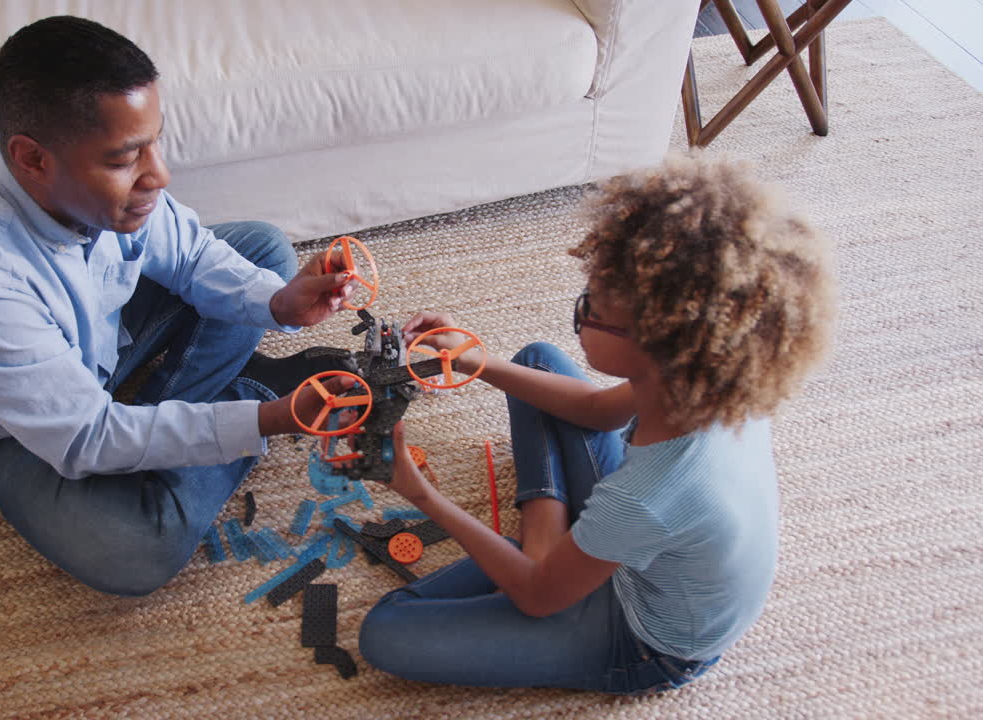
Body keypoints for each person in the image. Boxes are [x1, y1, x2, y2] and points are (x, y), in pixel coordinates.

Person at [0, 16, 355, 597]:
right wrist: (272, 419)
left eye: (155, 141)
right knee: (134, 552)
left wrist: (278, 303)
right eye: (125, 158)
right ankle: (241, 392)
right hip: (5, 430)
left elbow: (189, 253)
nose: (160, 174)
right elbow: (87, 437)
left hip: (96, 348)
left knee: (262, 249)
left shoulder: (73, 176)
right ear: (32, 159)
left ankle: (175, 425)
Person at [358, 153, 835, 693]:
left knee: (386, 632)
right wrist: (470, 358)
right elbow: (593, 411)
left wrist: (419, 493)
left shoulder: (646, 495)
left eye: (592, 307)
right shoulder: (699, 381)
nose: (580, 315)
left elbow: (539, 597)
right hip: (640, 540)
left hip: (644, 641)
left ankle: (545, 544)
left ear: (653, 342)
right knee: (536, 359)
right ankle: (547, 539)